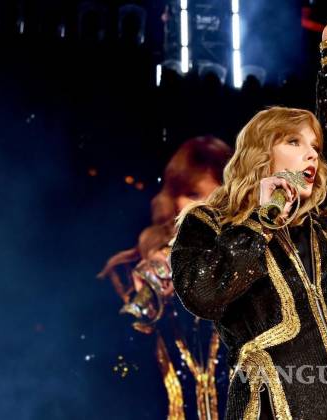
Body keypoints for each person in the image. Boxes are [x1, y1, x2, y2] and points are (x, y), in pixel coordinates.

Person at [170, 1, 327, 419]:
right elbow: (204, 294)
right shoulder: (209, 224)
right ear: (261, 152)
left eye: (314, 147)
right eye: (294, 142)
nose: (311, 154)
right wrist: (261, 220)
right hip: (276, 405)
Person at [98, 136, 232, 419]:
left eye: (217, 198)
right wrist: (148, 305)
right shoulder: (131, 270)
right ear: (173, 198)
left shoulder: (244, 269)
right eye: (193, 195)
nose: (203, 209)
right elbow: (113, 371)